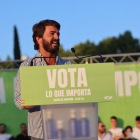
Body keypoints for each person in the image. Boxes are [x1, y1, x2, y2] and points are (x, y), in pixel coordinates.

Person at [14, 19, 73, 140]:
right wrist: (43, 95)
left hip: (66, 133)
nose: (56, 37)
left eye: (58, 34)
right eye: (52, 33)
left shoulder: (68, 66)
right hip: (40, 135)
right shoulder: (28, 66)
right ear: (39, 39)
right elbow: (19, 101)